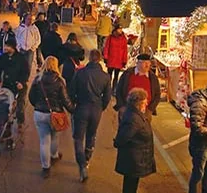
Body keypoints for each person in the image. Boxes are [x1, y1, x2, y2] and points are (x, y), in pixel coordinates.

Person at [68, 49, 111, 182]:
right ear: (99, 59)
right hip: (96, 109)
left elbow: (71, 91)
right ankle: (87, 158)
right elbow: (107, 97)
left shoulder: (80, 73)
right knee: (91, 135)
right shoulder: (105, 77)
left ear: (89, 58)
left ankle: (81, 165)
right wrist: (101, 107)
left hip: (81, 107)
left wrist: (74, 104)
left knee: (78, 138)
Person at [28, 56, 74, 178]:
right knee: (54, 136)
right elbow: (65, 99)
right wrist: (72, 109)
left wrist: (37, 106)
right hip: (55, 114)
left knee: (44, 141)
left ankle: (45, 167)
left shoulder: (38, 79)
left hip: (39, 113)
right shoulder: (59, 81)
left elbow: (31, 97)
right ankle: (54, 155)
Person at [114, 88, 156, 193]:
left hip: (137, 153)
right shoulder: (133, 118)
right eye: (144, 102)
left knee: (134, 177)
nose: (146, 104)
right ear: (138, 103)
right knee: (130, 179)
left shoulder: (135, 114)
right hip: (133, 155)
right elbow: (124, 137)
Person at [0, 38, 30, 130]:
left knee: (20, 105)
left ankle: (20, 122)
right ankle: (6, 126)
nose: (5, 48)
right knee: (6, 105)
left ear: (12, 47)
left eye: (7, 46)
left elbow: (26, 72)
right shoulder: (3, 57)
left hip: (19, 86)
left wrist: (22, 82)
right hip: (7, 85)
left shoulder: (21, 58)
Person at [114, 54, 160, 123]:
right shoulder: (128, 74)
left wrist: (150, 109)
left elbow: (157, 94)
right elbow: (119, 90)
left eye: (148, 63)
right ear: (138, 63)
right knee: (125, 130)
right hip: (127, 109)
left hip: (145, 112)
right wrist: (121, 106)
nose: (147, 66)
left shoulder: (153, 78)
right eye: (144, 63)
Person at [103, 24, 128, 89]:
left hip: (119, 60)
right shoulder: (110, 37)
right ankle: (107, 88)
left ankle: (114, 89)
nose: (120, 30)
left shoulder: (123, 39)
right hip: (111, 60)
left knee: (116, 76)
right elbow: (106, 47)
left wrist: (124, 60)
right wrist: (105, 57)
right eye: (119, 29)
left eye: (121, 29)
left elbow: (125, 50)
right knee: (109, 76)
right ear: (115, 29)